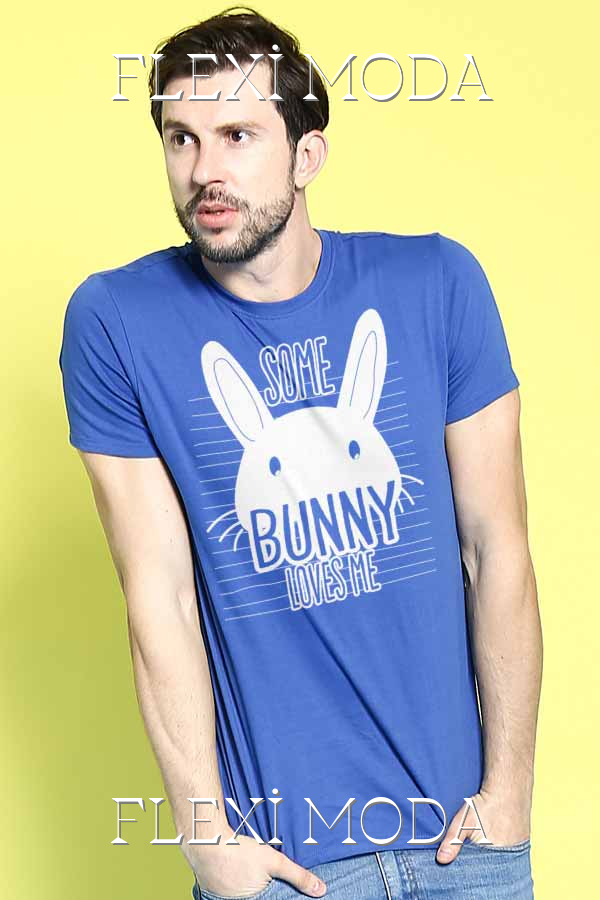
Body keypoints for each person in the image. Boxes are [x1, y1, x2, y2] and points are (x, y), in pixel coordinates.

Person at [58, 7, 543, 900]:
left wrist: (510, 792)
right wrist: (209, 840)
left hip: (466, 850)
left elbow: (495, 548)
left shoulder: (438, 283)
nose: (204, 170)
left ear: (307, 154)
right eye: (181, 138)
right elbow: (158, 596)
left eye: (237, 135)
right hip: (284, 872)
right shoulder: (117, 323)